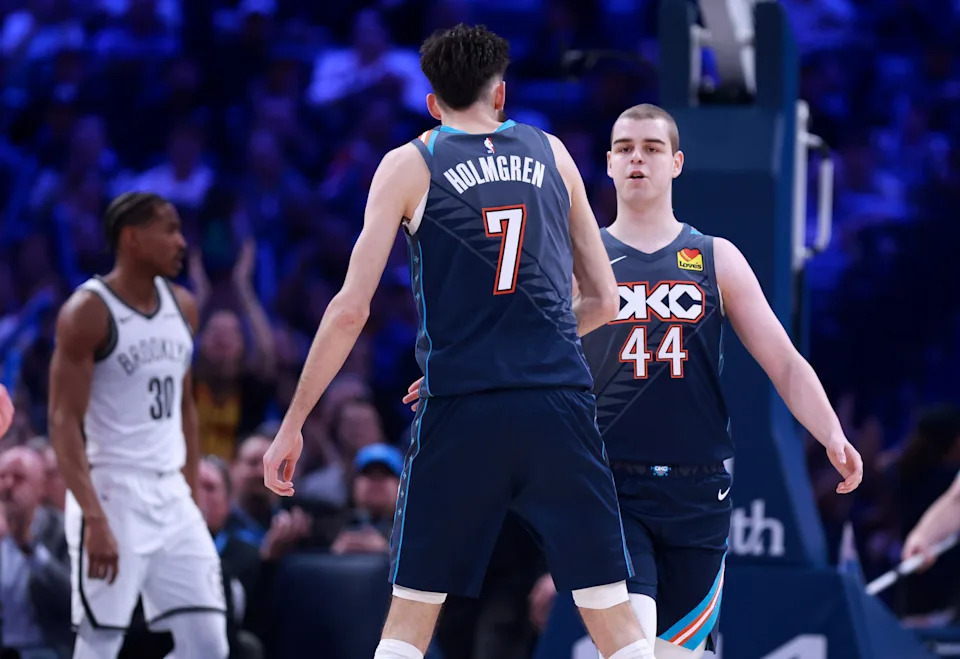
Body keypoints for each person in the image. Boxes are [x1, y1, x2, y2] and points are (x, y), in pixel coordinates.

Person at [406, 104, 864, 659]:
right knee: (633, 646)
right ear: (608, 164)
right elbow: (518, 342)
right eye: (624, 148)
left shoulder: (716, 257)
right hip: (607, 485)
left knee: (679, 651)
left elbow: (784, 362)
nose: (637, 158)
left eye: (650, 148)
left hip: (698, 491)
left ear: (676, 163)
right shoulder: (576, 260)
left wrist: (831, 433)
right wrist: (450, 376)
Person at [263, 23, 651, 659]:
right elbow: (606, 301)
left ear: (431, 103)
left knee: (411, 618)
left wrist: (294, 422)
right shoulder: (554, 154)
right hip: (557, 405)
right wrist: (530, 341)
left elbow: (349, 310)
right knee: (613, 618)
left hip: (462, 407)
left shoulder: (409, 163)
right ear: (501, 96)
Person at [47, 192, 228, 659]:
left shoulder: (183, 305)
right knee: (100, 643)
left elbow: (185, 408)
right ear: (131, 238)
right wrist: (93, 517)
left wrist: (188, 492)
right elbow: (63, 421)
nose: (181, 241)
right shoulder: (87, 311)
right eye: (168, 229)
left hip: (171, 497)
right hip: (112, 493)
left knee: (209, 646)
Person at [0, 446, 72, 658]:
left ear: (41, 487)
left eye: (19, 478)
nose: (8, 485)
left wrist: (28, 545)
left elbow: (71, 601)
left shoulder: (62, 530)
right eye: (2, 476)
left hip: (47, 649)